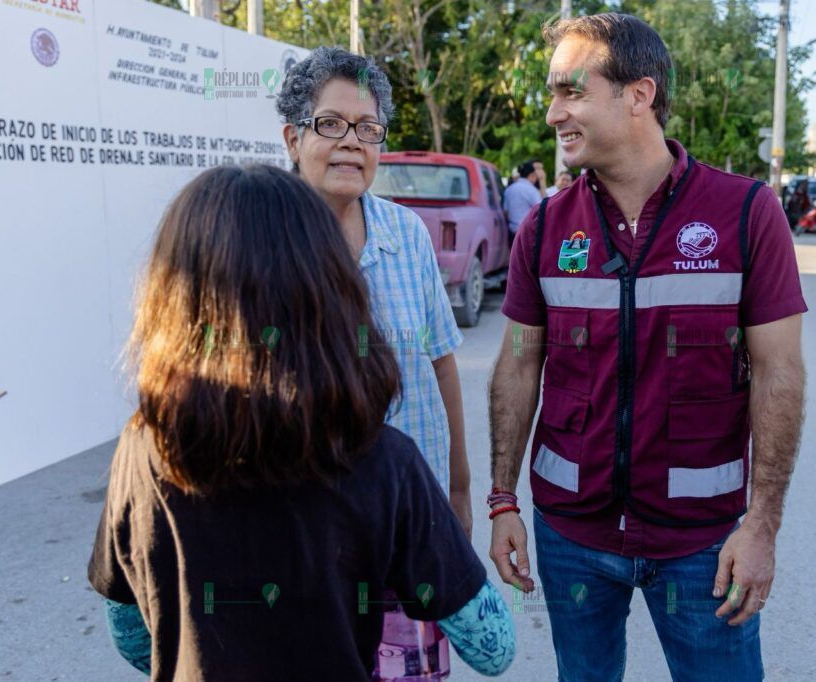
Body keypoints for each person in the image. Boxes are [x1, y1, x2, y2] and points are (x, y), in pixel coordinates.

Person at [86, 165, 515, 680]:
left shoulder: (142, 448)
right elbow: (494, 647)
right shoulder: (385, 462)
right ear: (331, 287)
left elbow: (133, 638)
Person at [487, 13, 807, 681]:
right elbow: (518, 363)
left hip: (703, 543)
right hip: (571, 534)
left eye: (570, 91)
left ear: (638, 94)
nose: (553, 113)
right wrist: (502, 501)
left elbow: (779, 374)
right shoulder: (544, 228)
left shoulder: (746, 213)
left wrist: (762, 527)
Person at [276, 47, 472, 538]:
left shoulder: (407, 233)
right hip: (310, 522)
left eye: (367, 128)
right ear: (293, 140)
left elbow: (441, 364)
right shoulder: (262, 242)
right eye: (331, 124)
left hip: (415, 509)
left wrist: (460, 488)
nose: (351, 142)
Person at [503, 159, 547, 244]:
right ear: (532, 175)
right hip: (527, 234)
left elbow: (506, 212)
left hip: (512, 232)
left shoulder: (509, 189)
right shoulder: (531, 190)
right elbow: (542, 211)